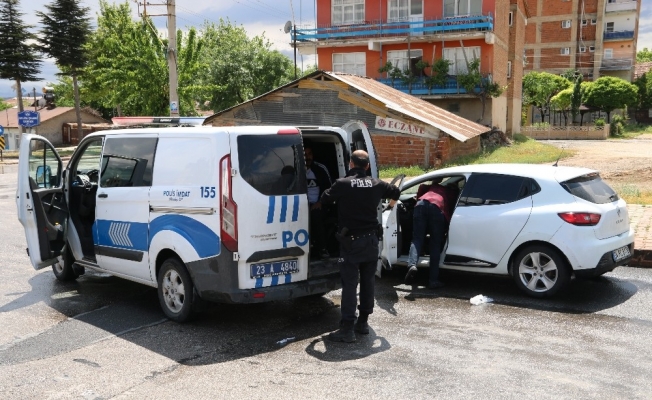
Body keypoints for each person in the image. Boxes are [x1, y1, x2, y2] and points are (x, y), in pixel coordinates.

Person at [320, 150, 400, 343]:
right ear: (367, 166)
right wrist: (389, 205)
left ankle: (347, 329)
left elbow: (325, 199)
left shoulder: (343, 183)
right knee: (368, 282)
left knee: (349, 285)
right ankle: (363, 323)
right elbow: (396, 191)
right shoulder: (377, 183)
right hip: (371, 241)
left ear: (350, 164)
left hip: (351, 242)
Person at [404, 176, 459, 289]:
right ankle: (433, 280)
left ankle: (412, 265)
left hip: (420, 205)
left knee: (417, 239)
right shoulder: (452, 192)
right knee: (435, 243)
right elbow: (452, 209)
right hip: (437, 208)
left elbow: (420, 189)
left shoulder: (431, 187)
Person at [304, 145, 332, 259]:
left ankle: (322, 249)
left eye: (309, 154)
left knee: (316, 216)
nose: (307, 157)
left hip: (318, 203)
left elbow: (330, 188)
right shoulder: (295, 170)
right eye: (304, 154)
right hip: (300, 204)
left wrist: (320, 202)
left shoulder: (320, 169)